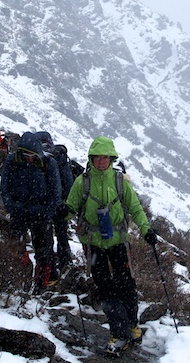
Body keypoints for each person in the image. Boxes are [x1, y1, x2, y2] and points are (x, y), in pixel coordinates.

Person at [65, 136, 158, 354]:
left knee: (126, 285)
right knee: (106, 289)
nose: (101, 162)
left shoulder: (119, 181)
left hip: (118, 242)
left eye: (105, 158)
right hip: (94, 244)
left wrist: (146, 230)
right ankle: (119, 332)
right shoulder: (82, 182)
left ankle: (132, 324)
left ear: (111, 159)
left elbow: (135, 208)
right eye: (97, 158)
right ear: (91, 158)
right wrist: (62, 212)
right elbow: (71, 207)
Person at [0, 131, 61, 293]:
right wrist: (12, 207)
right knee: (16, 247)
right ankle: (21, 279)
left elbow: (56, 192)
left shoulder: (48, 163)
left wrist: (46, 212)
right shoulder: (12, 161)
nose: (29, 158)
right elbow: (4, 188)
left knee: (44, 250)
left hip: (40, 213)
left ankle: (42, 285)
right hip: (19, 211)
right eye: (25, 154)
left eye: (32, 155)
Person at [35, 131, 75, 271]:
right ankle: (65, 261)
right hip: (60, 205)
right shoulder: (60, 159)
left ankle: (50, 267)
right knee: (61, 233)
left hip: (44, 205)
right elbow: (68, 183)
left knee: (45, 237)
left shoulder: (39, 159)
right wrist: (65, 202)